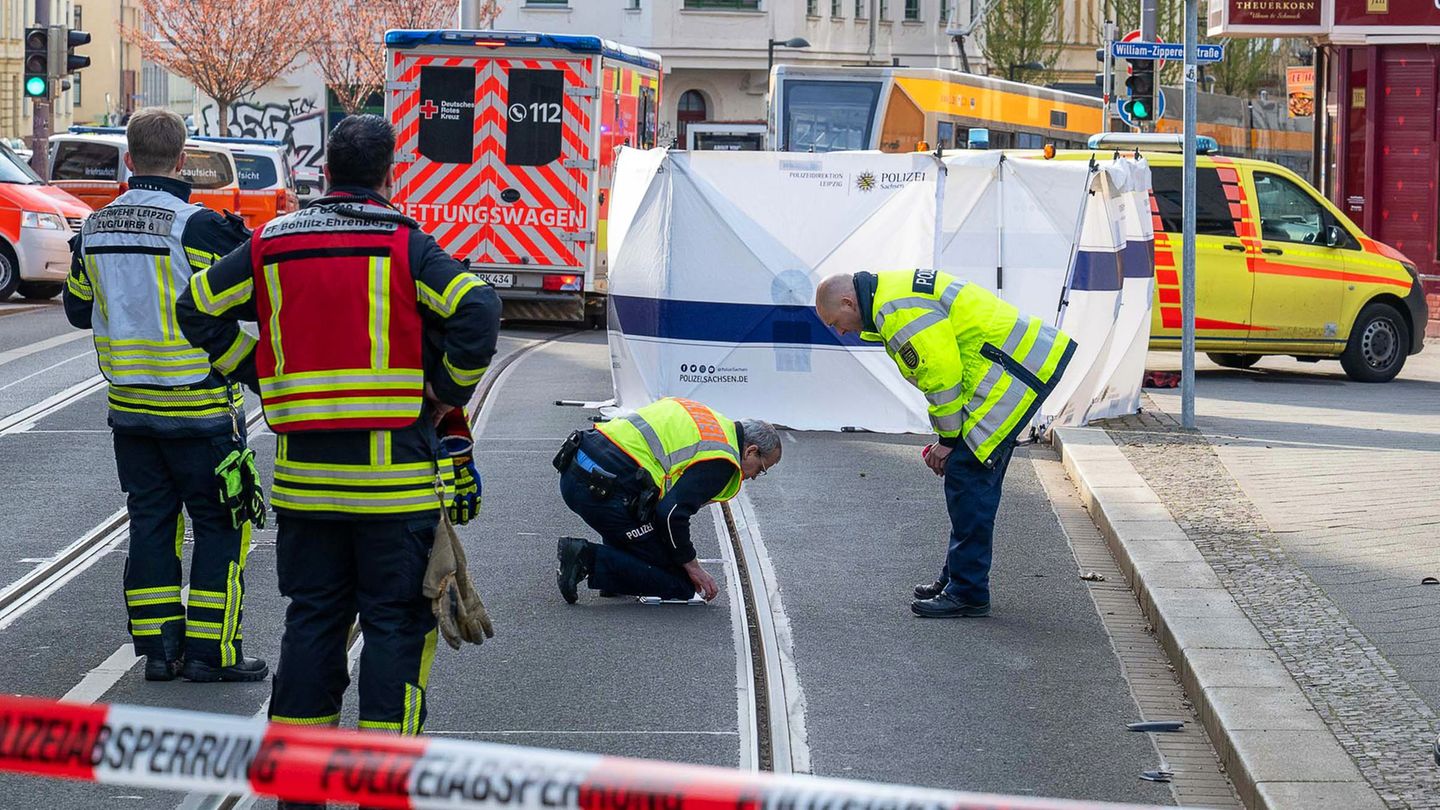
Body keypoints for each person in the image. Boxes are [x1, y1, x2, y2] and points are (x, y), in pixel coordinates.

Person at [176, 115, 501, 755]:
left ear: (324, 172)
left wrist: (258, 373)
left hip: (306, 490)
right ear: (388, 176)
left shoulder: (273, 242)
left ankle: (299, 786)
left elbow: (197, 307)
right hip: (393, 491)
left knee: (313, 624)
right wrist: (444, 392)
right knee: (394, 628)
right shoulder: (405, 246)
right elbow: (477, 307)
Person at [62, 107, 265, 683]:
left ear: (129, 160)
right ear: (183, 161)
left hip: (130, 410)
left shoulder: (94, 227)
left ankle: (158, 651)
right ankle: (211, 652)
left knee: (151, 521)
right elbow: (246, 300)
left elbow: (80, 310)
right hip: (199, 408)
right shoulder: (197, 227)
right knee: (222, 524)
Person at [815, 270, 1076, 618]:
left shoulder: (895, 312)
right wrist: (947, 439)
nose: (841, 331)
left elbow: (941, 375)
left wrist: (948, 440)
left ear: (849, 302)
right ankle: (957, 577)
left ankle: (967, 591)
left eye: (837, 321)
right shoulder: (891, 292)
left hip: (1009, 375)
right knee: (969, 480)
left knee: (969, 482)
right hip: (1014, 365)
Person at [553, 397, 781, 603]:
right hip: (604, 493)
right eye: (761, 469)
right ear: (751, 450)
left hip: (576, 467)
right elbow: (671, 514)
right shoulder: (722, 459)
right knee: (680, 581)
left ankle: (613, 573)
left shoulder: (707, 417)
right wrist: (691, 565)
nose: (752, 476)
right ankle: (585, 558)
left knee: (646, 529)